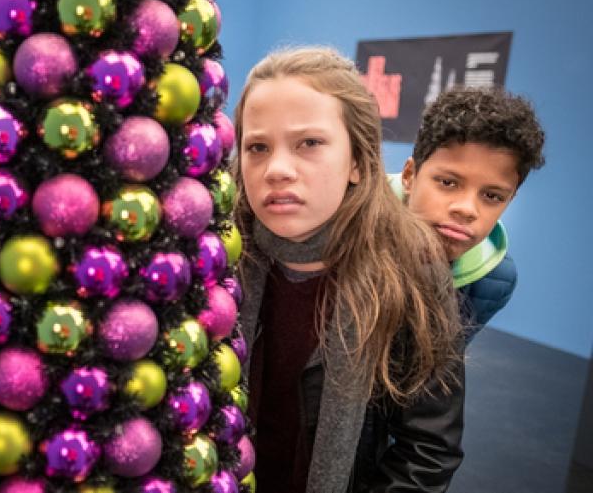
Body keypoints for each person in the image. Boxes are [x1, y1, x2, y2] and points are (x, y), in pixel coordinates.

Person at [233, 47, 465, 492]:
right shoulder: (219, 257)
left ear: (357, 161)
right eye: (257, 147)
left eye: (310, 143)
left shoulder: (411, 269)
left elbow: (427, 452)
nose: (277, 169)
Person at [396, 87, 545, 340]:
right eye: (447, 182)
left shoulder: (495, 280)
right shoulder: (341, 224)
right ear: (410, 175)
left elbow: (435, 371)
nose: (466, 209)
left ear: (509, 201)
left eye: (492, 196)